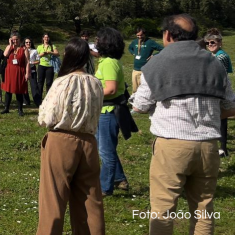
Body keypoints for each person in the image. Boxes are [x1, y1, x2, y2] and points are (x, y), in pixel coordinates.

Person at [131, 15, 235, 234]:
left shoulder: (158, 62)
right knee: (203, 210)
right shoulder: (215, 63)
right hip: (208, 145)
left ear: (168, 35)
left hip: (172, 144)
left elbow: (139, 105)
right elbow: (230, 106)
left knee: (163, 210)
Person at [37, 38, 105, 235]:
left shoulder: (62, 82)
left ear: (68, 56)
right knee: (91, 202)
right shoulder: (96, 84)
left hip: (62, 141)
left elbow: (47, 116)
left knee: (53, 201)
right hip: (89, 142)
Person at [94, 27, 129, 196]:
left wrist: (90, 94)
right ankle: (119, 178)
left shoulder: (108, 63)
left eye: (98, 39)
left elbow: (111, 89)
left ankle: (104, 188)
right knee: (105, 148)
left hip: (108, 112)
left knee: (105, 151)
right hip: (104, 111)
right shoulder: (108, 61)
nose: (95, 42)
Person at [201, 29, 232, 157]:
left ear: (220, 42)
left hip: (220, 89)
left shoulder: (221, 56)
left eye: (213, 42)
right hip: (214, 88)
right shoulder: (214, 55)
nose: (210, 45)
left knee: (222, 118)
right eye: (208, 43)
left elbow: (218, 75)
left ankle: (223, 148)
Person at [1, 32, 29, 117]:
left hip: (20, 71)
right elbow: (5, 55)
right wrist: (10, 45)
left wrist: (27, 73)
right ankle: (6, 108)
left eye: (17, 39)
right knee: (8, 90)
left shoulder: (24, 49)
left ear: (19, 40)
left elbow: (27, 62)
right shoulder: (9, 48)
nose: (15, 41)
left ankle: (20, 109)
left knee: (19, 90)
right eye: (13, 39)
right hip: (9, 70)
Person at [127, 27, 162, 93]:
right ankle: (134, 102)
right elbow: (130, 48)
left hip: (146, 70)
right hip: (136, 69)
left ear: (144, 34)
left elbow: (162, 49)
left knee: (145, 90)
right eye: (138, 35)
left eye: (141, 35)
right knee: (135, 89)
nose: (139, 37)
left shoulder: (150, 42)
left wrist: (153, 55)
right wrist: (133, 53)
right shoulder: (134, 42)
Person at [36, 33, 59, 102]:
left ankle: (48, 98)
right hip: (41, 66)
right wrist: (42, 54)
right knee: (40, 82)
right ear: (43, 38)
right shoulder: (39, 47)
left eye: (47, 37)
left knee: (49, 83)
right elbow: (36, 56)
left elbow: (57, 54)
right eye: (45, 37)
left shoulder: (52, 46)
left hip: (50, 66)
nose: (46, 39)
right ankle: (39, 98)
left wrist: (50, 52)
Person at [26, 38, 41, 106]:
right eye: (27, 42)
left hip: (32, 69)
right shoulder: (21, 50)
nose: (28, 43)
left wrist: (32, 62)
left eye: (29, 42)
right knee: (24, 86)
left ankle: (37, 101)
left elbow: (38, 60)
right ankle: (26, 101)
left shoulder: (34, 51)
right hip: (24, 70)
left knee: (34, 86)